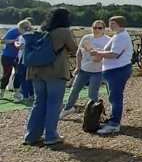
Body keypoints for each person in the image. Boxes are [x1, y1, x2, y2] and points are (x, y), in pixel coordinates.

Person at [24, 8, 77, 146]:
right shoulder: (64, 32)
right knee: (54, 103)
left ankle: (31, 136)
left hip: (36, 71)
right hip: (55, 71)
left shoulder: (40, 30)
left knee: (38, 103)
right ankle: (51, 135)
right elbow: (74, 49)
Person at [91, 16, 133, 135]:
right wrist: (100, 52)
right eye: (109, 23)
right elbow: (109, 50)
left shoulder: (121, 36)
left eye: (112, 23)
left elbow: (115, 54)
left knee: (115, 98)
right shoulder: (117, 35)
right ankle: (112, 119)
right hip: (113, 70)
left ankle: (114, 124)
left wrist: (98, 53)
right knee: (113, 96)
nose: (110, 25)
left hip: (118, 70)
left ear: (120, 24)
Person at [60, 20, 110, 118]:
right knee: (74, 90)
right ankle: (68, 108)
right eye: (94, 27)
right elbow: (79, 53)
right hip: (84, 69)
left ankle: (94, 114)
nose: (96, 30)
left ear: (104, 29)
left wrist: (100, 56)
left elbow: (110, 55)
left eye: (99, 28)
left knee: (92, 93)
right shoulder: (86, 37)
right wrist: (78, 66)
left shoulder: (108, 40)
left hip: (98, 71)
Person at [1, 20, 25, 100]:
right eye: (25, 29)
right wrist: (14, 41)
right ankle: (2, 92)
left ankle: (16, 93)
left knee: (18, 74)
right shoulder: (13, 31)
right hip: (7, 56)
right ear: (21, 27)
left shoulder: (24, 33)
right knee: (6, 74)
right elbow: (2, 41)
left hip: (16, 57)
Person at [14, 19, 34, 102]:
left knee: (23, 78)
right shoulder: (33, 35)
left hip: (23, 60)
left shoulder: (23, 36)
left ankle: (25, 96)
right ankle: (31, 95)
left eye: (19, 29)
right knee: (29, 79)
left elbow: (21, 46)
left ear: (22, 28)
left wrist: (17, 44)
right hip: (31, 60)